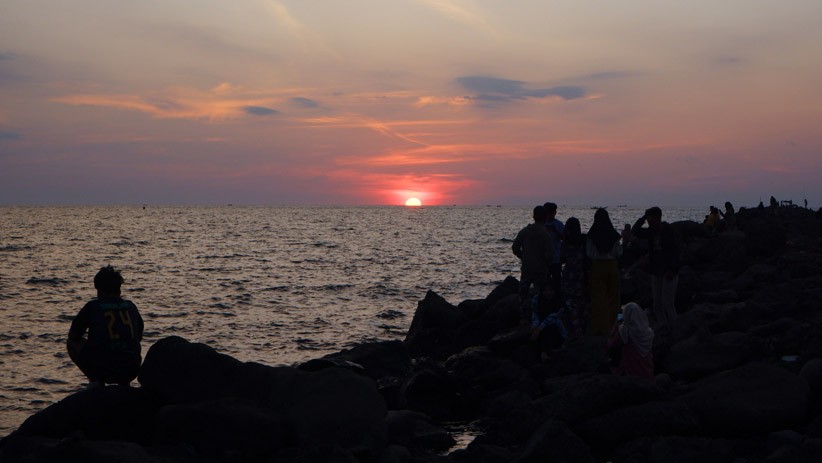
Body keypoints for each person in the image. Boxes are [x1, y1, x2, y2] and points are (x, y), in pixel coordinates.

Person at [68, 265, 144, 387]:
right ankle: (124, 384)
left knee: (72, 343)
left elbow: (74, 334)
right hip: (132, 369)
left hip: (104, 369)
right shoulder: (131, 306)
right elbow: (138, 337)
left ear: (99, 290)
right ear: (119, 290)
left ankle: (96, 381)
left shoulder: (93, 307)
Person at [632, 207, 681, 326]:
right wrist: (643, 217)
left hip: (669, 272)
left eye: (649, 218)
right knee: (657, 305)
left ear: (655, 218)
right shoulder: (651, 231)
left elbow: (676, 252)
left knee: (668, 304)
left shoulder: (667, 230)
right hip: (656, 271)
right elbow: (635, 231)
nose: (648, 221)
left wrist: (672, 269)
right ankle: (663, 327)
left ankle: (677, 327)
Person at [513, 206, 553, 321]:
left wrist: (524, 257)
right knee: (540, 296)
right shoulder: (545, 234)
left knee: (523, 296)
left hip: (527, 269)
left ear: (533, 216)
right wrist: (546, 262)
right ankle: (538, 318)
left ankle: (524, 319)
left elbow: (515, 247)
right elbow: (550, 255)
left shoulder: (525, 231)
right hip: (541, 271)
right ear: (545, 218)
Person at [586, 208, 622, 335]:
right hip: (612, 267)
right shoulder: (614, 235)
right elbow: (619, 252)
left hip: (597, 267)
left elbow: (589, 253)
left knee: (598, 297)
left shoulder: (591, 235)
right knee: (614, 296)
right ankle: (615, 325)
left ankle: (600, 327)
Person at [607, 302, 654, 379]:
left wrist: (617, 324)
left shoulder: (625, 331)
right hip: (648, 373)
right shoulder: (649, 332)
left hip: (631, 373)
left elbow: (610, 345)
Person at [560, 217, 588, 336]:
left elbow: (561, 259)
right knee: (582, 304)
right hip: (582, 275)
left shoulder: (566, 243)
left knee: (571, 306)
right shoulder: (584, 241)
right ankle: (584, 329)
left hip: (569, 277)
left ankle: (576, 331)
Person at [529, 285, 568, 360]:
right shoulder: (537, 299)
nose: (548, 293)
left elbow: (554, 318)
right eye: (545, 291)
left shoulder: (559, 301)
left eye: (550, 290)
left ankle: (544, 352)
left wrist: (539, 329)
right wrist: (535, 327)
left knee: (549, 329)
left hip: (560, 332)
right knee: (534, 333)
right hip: (543, 329)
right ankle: (543, 352)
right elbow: (535, 315)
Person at [542, 202, 565, 296]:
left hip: (556, 258)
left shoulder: (558, 224)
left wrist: (555, 231)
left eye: (552, 212)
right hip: (543, 259)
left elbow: (565, 238)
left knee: (557, 280)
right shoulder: (541, 224)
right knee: (543, 281)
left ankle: (557, 298)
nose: (551, 215)